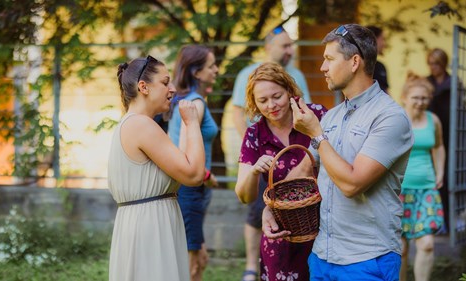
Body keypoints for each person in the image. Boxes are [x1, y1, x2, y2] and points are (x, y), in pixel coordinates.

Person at [262, 24, 414, 281]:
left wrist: (316, 134)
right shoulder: (331, 117)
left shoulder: (390, 117)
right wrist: (273, 206)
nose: (322, 67)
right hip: (322, 258)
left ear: (354, 62)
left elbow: (353, 184)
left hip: (367, 260)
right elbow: (304, 170)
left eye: (329, 59)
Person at [108, 55, 205, 281]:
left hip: (143, 222)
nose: (172, 89)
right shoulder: (141, 125)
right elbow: (194, 174)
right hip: (150, 227)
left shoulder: (132, 123)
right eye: (165, 82)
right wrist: (191, 123)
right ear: (144, 87)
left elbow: (183, 164)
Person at [231, 25, 313, 281]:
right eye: (262, 101)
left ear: (290, 90)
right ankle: (250, 266)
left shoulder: (315, 116)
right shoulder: (254, 135)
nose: (271, 106)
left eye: (277, 96)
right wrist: (254, 170)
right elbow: (243, 195)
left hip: (322, 228)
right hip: (279, 236)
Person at [167, 45, 219, 281]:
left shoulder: (186, 101)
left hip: (189, 189)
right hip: (190, 189)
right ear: (197, 73)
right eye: (212, 66)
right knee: (192, 266)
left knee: (200, 258)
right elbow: (184, 151)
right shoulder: (195, 104)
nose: (217, 70)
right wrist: (208, 177)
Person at [399, 73, 445, 281]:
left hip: (426, 189)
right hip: (399, 190)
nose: (420, 102)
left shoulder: (433, 120)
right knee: (400, 248)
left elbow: (438, 146)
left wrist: (440, 171)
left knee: (426, 244)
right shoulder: (397, 120)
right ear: (405, 98)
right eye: (416, 97)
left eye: (424, 98)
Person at [426, 48, 451, 233]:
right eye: (430, 63)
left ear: (443, 64)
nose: (433, 67)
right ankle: (434, 221)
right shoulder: (427, 84)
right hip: (431, 134)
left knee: (448, 179)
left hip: (450, 134)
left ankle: (447, 221)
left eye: (436, 63)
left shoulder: (453, 83)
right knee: (433, 179)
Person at [366, 25, 390, 93]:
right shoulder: (360, 66)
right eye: (382, 39)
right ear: (373, 39)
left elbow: (386, 92)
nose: (384, 44)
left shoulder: (380, 66)